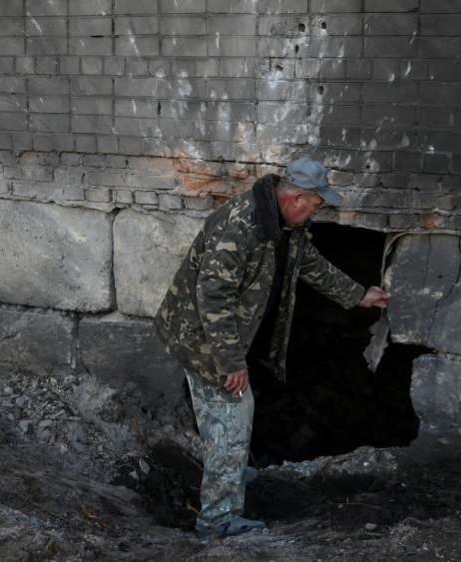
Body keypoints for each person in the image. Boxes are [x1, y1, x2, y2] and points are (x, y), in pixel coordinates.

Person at [156, 157, 390, 538]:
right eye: (315, 205)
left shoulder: (285, 225)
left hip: (225, 338)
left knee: (235, 415)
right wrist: (231, 362)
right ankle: (217, 519)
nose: (316, 212)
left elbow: (310, 265)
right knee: (231, 413)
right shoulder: (242, 225)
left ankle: (228, 473)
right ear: (295, 196)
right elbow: (213, 298)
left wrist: (360, 295)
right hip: (203, 339)